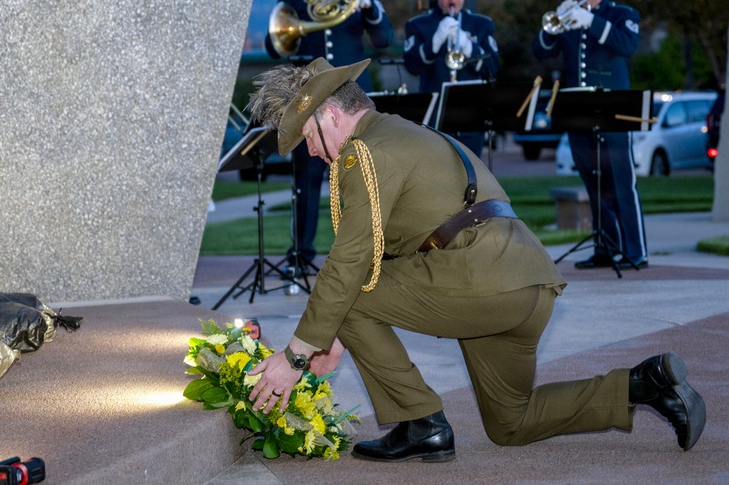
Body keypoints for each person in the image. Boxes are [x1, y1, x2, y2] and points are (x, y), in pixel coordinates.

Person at [244, 57, 705, 462]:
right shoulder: (408, 133)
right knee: (511, 424)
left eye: (308, 136)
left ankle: (421, 424)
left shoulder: (362, 153)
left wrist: (296, 356)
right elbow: (379, 257)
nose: (311, 151)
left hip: (476, 280)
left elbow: (347, 267)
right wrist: (338, 340)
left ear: (328, 113)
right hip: (524, 284)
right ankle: (644, 384)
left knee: (347, 295)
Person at [264, 0, 393, 271]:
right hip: (312, 105)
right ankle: (302, 256)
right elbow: (273, 46)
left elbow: (383, 40)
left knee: (361, 179)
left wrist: (370, 6)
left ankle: (364, 255)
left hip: (350, 101)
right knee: (307, 182)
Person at [532, 0, 648, 270]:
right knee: (593, 181)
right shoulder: (569, 17)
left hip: (614, 110)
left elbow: (627, 45)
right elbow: (540, 51)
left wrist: (592, 22)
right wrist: (555, 20)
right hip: (577, 111)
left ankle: (636, 250)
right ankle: (604, 248)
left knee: (621, 182)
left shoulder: (622, 14)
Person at [403, 0, 499, 157]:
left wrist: (470, 48)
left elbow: (493, 69)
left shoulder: (481, 24)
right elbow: (411, 66)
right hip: (434, 118)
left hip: (471, 115)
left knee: (473, 176)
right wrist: (434, 43)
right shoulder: (418, 25)